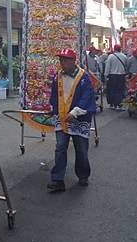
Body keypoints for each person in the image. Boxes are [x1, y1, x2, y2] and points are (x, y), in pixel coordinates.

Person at [47, 48, 96, 193]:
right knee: (60, 148)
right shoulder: (58, 76)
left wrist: (75, 112)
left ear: (73, 62)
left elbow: (87, 97)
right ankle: (58, 180)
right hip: (62, 118)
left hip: (78, 119)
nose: (62, 63)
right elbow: (55, 95)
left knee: (80, 149)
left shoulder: (83, 77)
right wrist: (53, 108)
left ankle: (83, 175)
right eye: (61, 60)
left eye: (65, 60)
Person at [103, 44, 128, 110]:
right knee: (120, 90)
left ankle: (112, 104)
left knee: (112, 90)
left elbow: (108, 67)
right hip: (121, 75)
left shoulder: (111, 56)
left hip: (112, 75)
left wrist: (106, 75)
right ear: (120, 49)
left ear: (114, 49)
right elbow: (126, 66)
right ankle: (119, 105)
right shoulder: (124, 56)